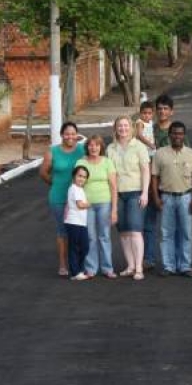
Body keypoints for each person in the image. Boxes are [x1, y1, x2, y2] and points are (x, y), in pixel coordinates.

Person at [143, 94, 190, 270]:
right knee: (149, 223)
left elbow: (186, 158)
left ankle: (177, 261)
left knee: (175, 226)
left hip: (172, 185)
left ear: (171, 111)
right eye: (159, 108)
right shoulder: (149, 130)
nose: (162, 111)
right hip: (151, 182)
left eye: (165, 108)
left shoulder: (178, 132)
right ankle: (148, 258)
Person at [151, 121, 192, 277]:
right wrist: (156, 197)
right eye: (174, 133)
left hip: (185, 197)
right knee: (166, 233)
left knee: (186, 233)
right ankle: (169, 266)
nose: (177, 136)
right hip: (166, 197)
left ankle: (185, 266)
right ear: (169, 135)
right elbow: (154, 177)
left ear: (184, 135)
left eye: (180, 134)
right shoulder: (160, 153)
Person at [107, 115, 151, 281]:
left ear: (131, 128)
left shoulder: (139, 147)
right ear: (115, 128)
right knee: (123, 232)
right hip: (118, 194)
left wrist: (145, 193)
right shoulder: (111, 148)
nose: (123, 129)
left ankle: (139, 268)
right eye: (120, 126)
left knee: (135, 230)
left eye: (126, 126)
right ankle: (130, 266)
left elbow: (146, 171)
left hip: (135, 192)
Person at [39, 121, 85, 277]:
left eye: (73, 134)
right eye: (67, 134)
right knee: (63, 232)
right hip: (58, 198)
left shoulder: (82, 150)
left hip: (78, 198)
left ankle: (79, 263)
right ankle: (63, 264)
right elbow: (43, 172)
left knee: (79, 231)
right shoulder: (52, 152)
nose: (70, 137)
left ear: (77, 135)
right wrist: (56, 183)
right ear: (61, 135)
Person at [76, 135, 118, 279]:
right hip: (87, 205)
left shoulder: (107, 162)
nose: (94, 148)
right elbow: (76, 184)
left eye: (97, 145)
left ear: (101, 147)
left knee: (104, 236)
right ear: (87, 147)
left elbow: (113, 186)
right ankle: (91, 268)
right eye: (91, 145)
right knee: (90, 237)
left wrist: (114, 209)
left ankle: (107, 268)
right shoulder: (81, 162)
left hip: (104, 203)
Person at [63, 166, 91, 281]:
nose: (82, 179)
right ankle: (76, 272)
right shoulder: (74, 188)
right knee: (74, 247)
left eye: (84, 177)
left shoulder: (79, 189)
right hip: (73, 222)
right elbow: (80, 205)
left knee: (84, 246)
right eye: (79, 176)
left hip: (80, 223)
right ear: (74, 176)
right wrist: (88, 204)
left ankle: (79, 270)